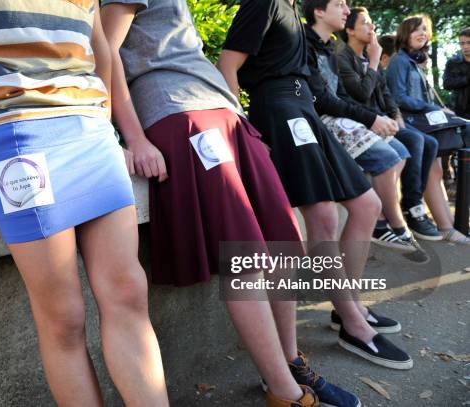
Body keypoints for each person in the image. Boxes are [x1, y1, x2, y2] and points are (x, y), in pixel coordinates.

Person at [0, 1, 169, 405]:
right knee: (64, 317)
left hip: (92, 132)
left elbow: (97, 40)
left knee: (128, 292)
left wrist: (105, 122)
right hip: (15, 133)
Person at [99, 0, 361, 405]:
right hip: (178, 110)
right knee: (245, 255)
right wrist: (133, 138)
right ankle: (284, 391)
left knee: (285, 237)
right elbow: (105, 48)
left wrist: (237, 110)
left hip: (224, 111)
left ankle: (289, 360)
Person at [218, 0, 413, 372]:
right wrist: (243, 128)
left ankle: (348, 306)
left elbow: (322, 94)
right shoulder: (266, 3)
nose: (343, 6)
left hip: (306, 111)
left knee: (367, 204)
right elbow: (227, 65)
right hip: (278, 108)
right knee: (322, 215)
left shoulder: (294, 16)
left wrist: (371, 116)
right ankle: (353, 324)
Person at [302, 1, 424, 254]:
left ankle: (391, 219)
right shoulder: (315, 47)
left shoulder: (330, 48)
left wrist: (384, 116)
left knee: (402, 151)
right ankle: (394, 224)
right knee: (389, 155)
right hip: (318, 120)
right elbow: (336, 98)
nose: (346, 11)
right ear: (319, 11)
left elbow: (356, 95)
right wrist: (371, 116)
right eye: (340, 5)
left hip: (341, 114)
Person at [337, 7, 442, 246]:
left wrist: (395, 114)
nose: (372, 27)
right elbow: (360, 94)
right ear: (350, 30)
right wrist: (374, 60)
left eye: (372, 22)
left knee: (426, 142)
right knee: (413, 142)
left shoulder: (368, 58)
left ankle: (410, 206)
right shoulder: (343, 57)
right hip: (362, 120)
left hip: (382, 118)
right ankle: (400, 213)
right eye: (365, 23)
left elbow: (386, 93)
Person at [387, 14, 470, 244]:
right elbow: (398, 97)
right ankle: (445, 226)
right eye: (416, 29)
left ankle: (448, 226)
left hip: (422, 124)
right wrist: (432, 108)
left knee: (436, 173)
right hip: (413, 125)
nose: (423, 33)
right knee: (434, 173)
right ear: (405, 33)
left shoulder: (413, 61)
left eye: (425, 29)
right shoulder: (399, 61)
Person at [443, 27, 470, 120]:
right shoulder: (452, 62)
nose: (465, 46)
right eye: (462, 43)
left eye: (469, 43)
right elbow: (446, 84)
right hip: (459, 112)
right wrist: (466, 79)